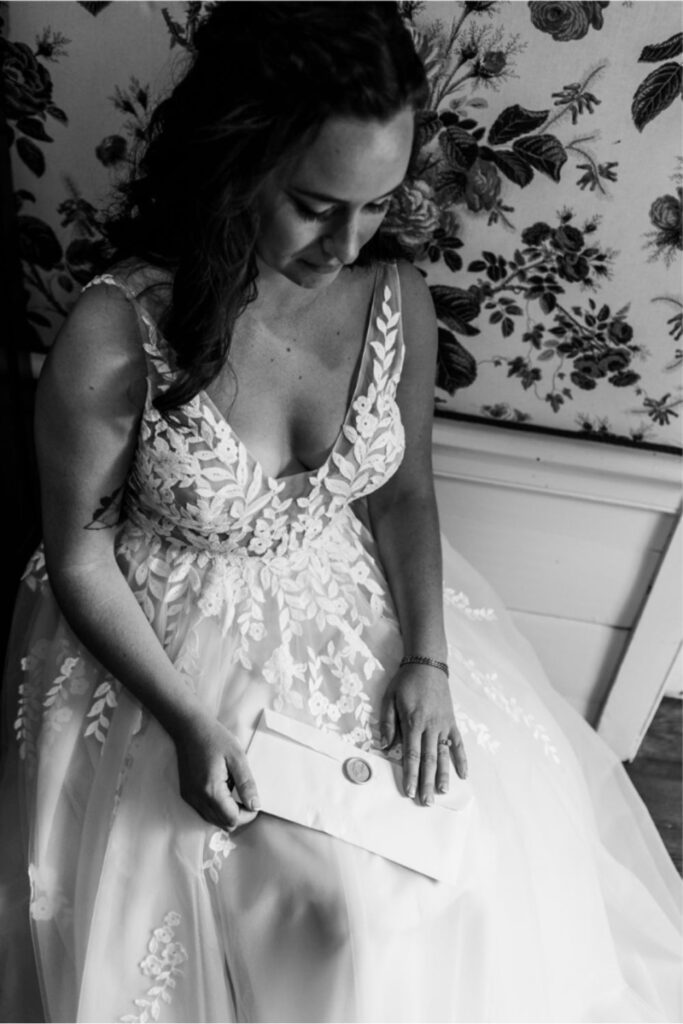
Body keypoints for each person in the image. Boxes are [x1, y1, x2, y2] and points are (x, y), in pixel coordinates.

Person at [0, 4, 680, 1022]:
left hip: (341, 593)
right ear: (238, 161)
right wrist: (188, 723)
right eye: (317, 205)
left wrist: (426, 659)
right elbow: (80, 555)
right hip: (167, 632)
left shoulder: (388, 291)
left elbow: (404, 492)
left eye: (377, 203)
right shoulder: (116, 331)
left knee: (476, 848)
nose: (347, 241)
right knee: (330, 916)